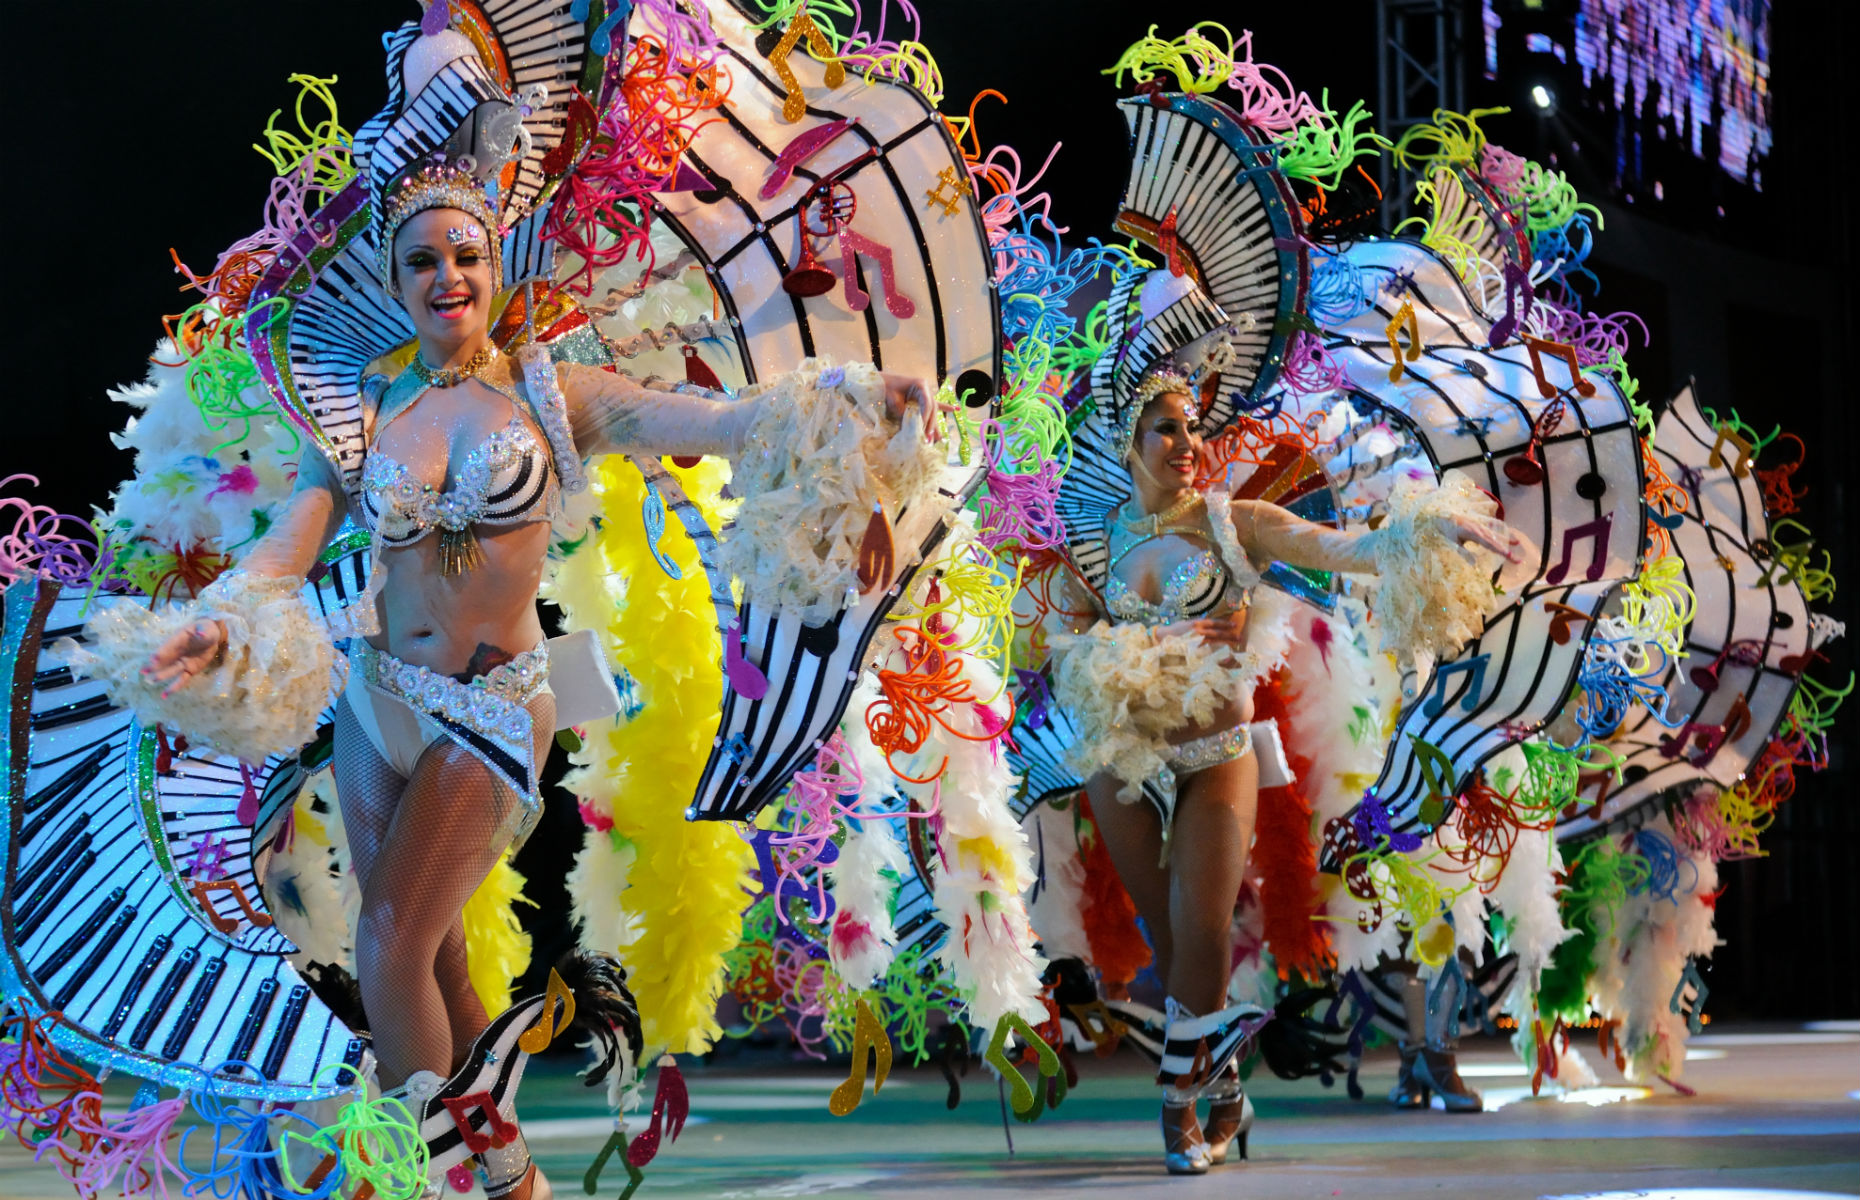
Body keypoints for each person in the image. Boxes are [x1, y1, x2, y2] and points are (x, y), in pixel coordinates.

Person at [100, 154, 941, 1200]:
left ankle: (432, 1175)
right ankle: (502, 1168)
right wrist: (223, 620)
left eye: (466, 254)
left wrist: (855, 400)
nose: (447, 275)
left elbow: (718, 424)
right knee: (439, 951)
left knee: (388, 940)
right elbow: (297, 533)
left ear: (496, 264)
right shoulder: (362, 402)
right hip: (379, 700)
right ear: (397, 280)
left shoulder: (555, 393)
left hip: (493, 712)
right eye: (422, 261)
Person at [1043, 270, 1519, 1174]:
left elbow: (1352, 549)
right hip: (1122, 766)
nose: (1188, 444)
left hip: (1218, 755)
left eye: (1192, 427)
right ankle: (1226, 1087)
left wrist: (1428, 533)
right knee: (1173, 941)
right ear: (1130, 439)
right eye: (1166, 429)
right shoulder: (1097, 538)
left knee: (1209, 928)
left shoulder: (1236, 525)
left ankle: (1179, 1108)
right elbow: (1066, 644)